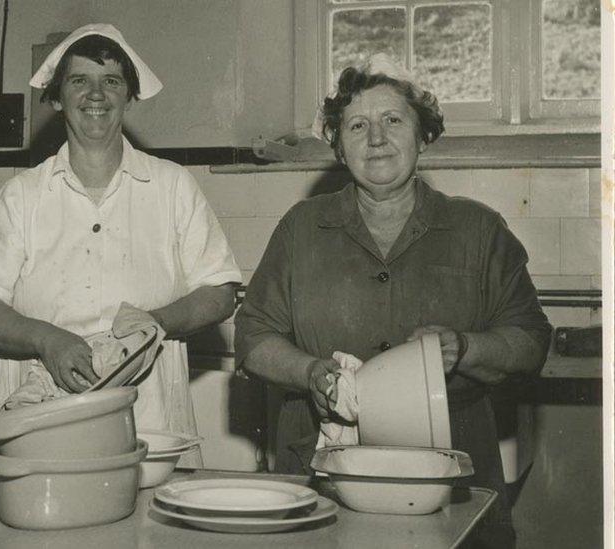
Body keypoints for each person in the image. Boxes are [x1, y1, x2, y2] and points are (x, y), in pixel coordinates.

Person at [234, 54, 550, 547]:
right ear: (339, 146)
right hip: (322, 470)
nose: (376, 138)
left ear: (423, 134)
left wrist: (464, 348)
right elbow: (253, 335)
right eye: (357, 125)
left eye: (393, 120)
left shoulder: (479, 230)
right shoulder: (300, 229)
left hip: (451, 468)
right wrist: (310, 372)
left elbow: (530, 341)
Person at [0, 24, 241, 465]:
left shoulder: (171, 185)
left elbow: (220, 292)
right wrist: (45, 339)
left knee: (148, 527)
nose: (96, 94)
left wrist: (153, 324)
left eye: (111, 81)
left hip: (146, 405)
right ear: (57, 98)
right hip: (37, 407)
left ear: (128, 96)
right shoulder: (21, 194)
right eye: (79, 81)